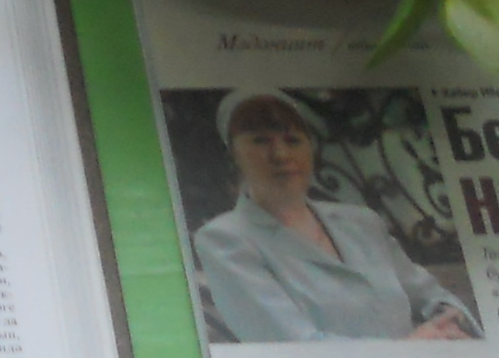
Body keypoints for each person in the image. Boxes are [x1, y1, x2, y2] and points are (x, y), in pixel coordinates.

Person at [193, 90, 478, 343]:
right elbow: (289, 343)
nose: (280, 154)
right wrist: (411, 350)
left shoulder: (362, 222)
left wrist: (450, 323)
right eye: (260, 141)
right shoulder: (224, 239)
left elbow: (431, 296)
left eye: (293, 140)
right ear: (234, 153)